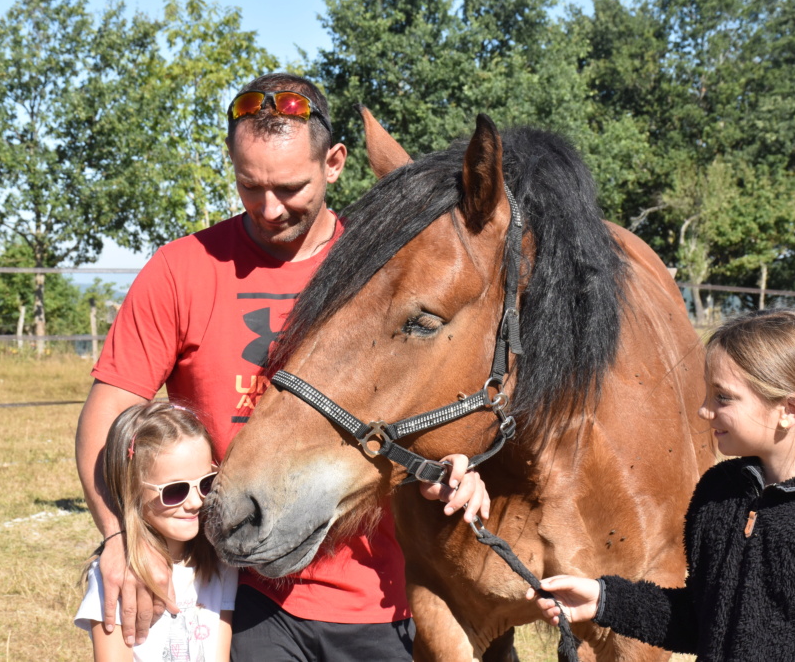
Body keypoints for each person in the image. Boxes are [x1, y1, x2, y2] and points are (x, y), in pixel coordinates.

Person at [75, 72, 489, 659]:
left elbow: (435, 400)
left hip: (380, 593)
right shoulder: (181, 269)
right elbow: (108, 410)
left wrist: (454, 471)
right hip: (239, 592)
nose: (269, 209)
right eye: (250, 186)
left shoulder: (386, 274)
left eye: (291, 187)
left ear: (336, 163)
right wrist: (118, 537)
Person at [527, 308, 795, 660]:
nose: (704, 409)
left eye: (723, 397)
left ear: (790, 410)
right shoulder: (721, 494)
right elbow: (704, 618)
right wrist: (605, 600)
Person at [74, 402, 238, 661]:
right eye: (175, 491)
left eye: (207, 483)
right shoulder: (115, 576)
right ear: (132, 491)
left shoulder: (222, 565)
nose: (196, 502)